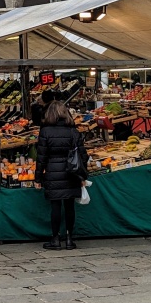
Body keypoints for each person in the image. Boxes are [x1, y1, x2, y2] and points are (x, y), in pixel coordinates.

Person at [36, 100, 89, 250]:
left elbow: (41, 158)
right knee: (70, 206)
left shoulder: (45, 131)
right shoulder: (73, 131)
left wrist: (38, 178)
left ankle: (55, 239)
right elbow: (83, 155)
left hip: (53, 172)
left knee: (55, 206)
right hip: (72, 173)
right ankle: (69, 239)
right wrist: (83, 176)